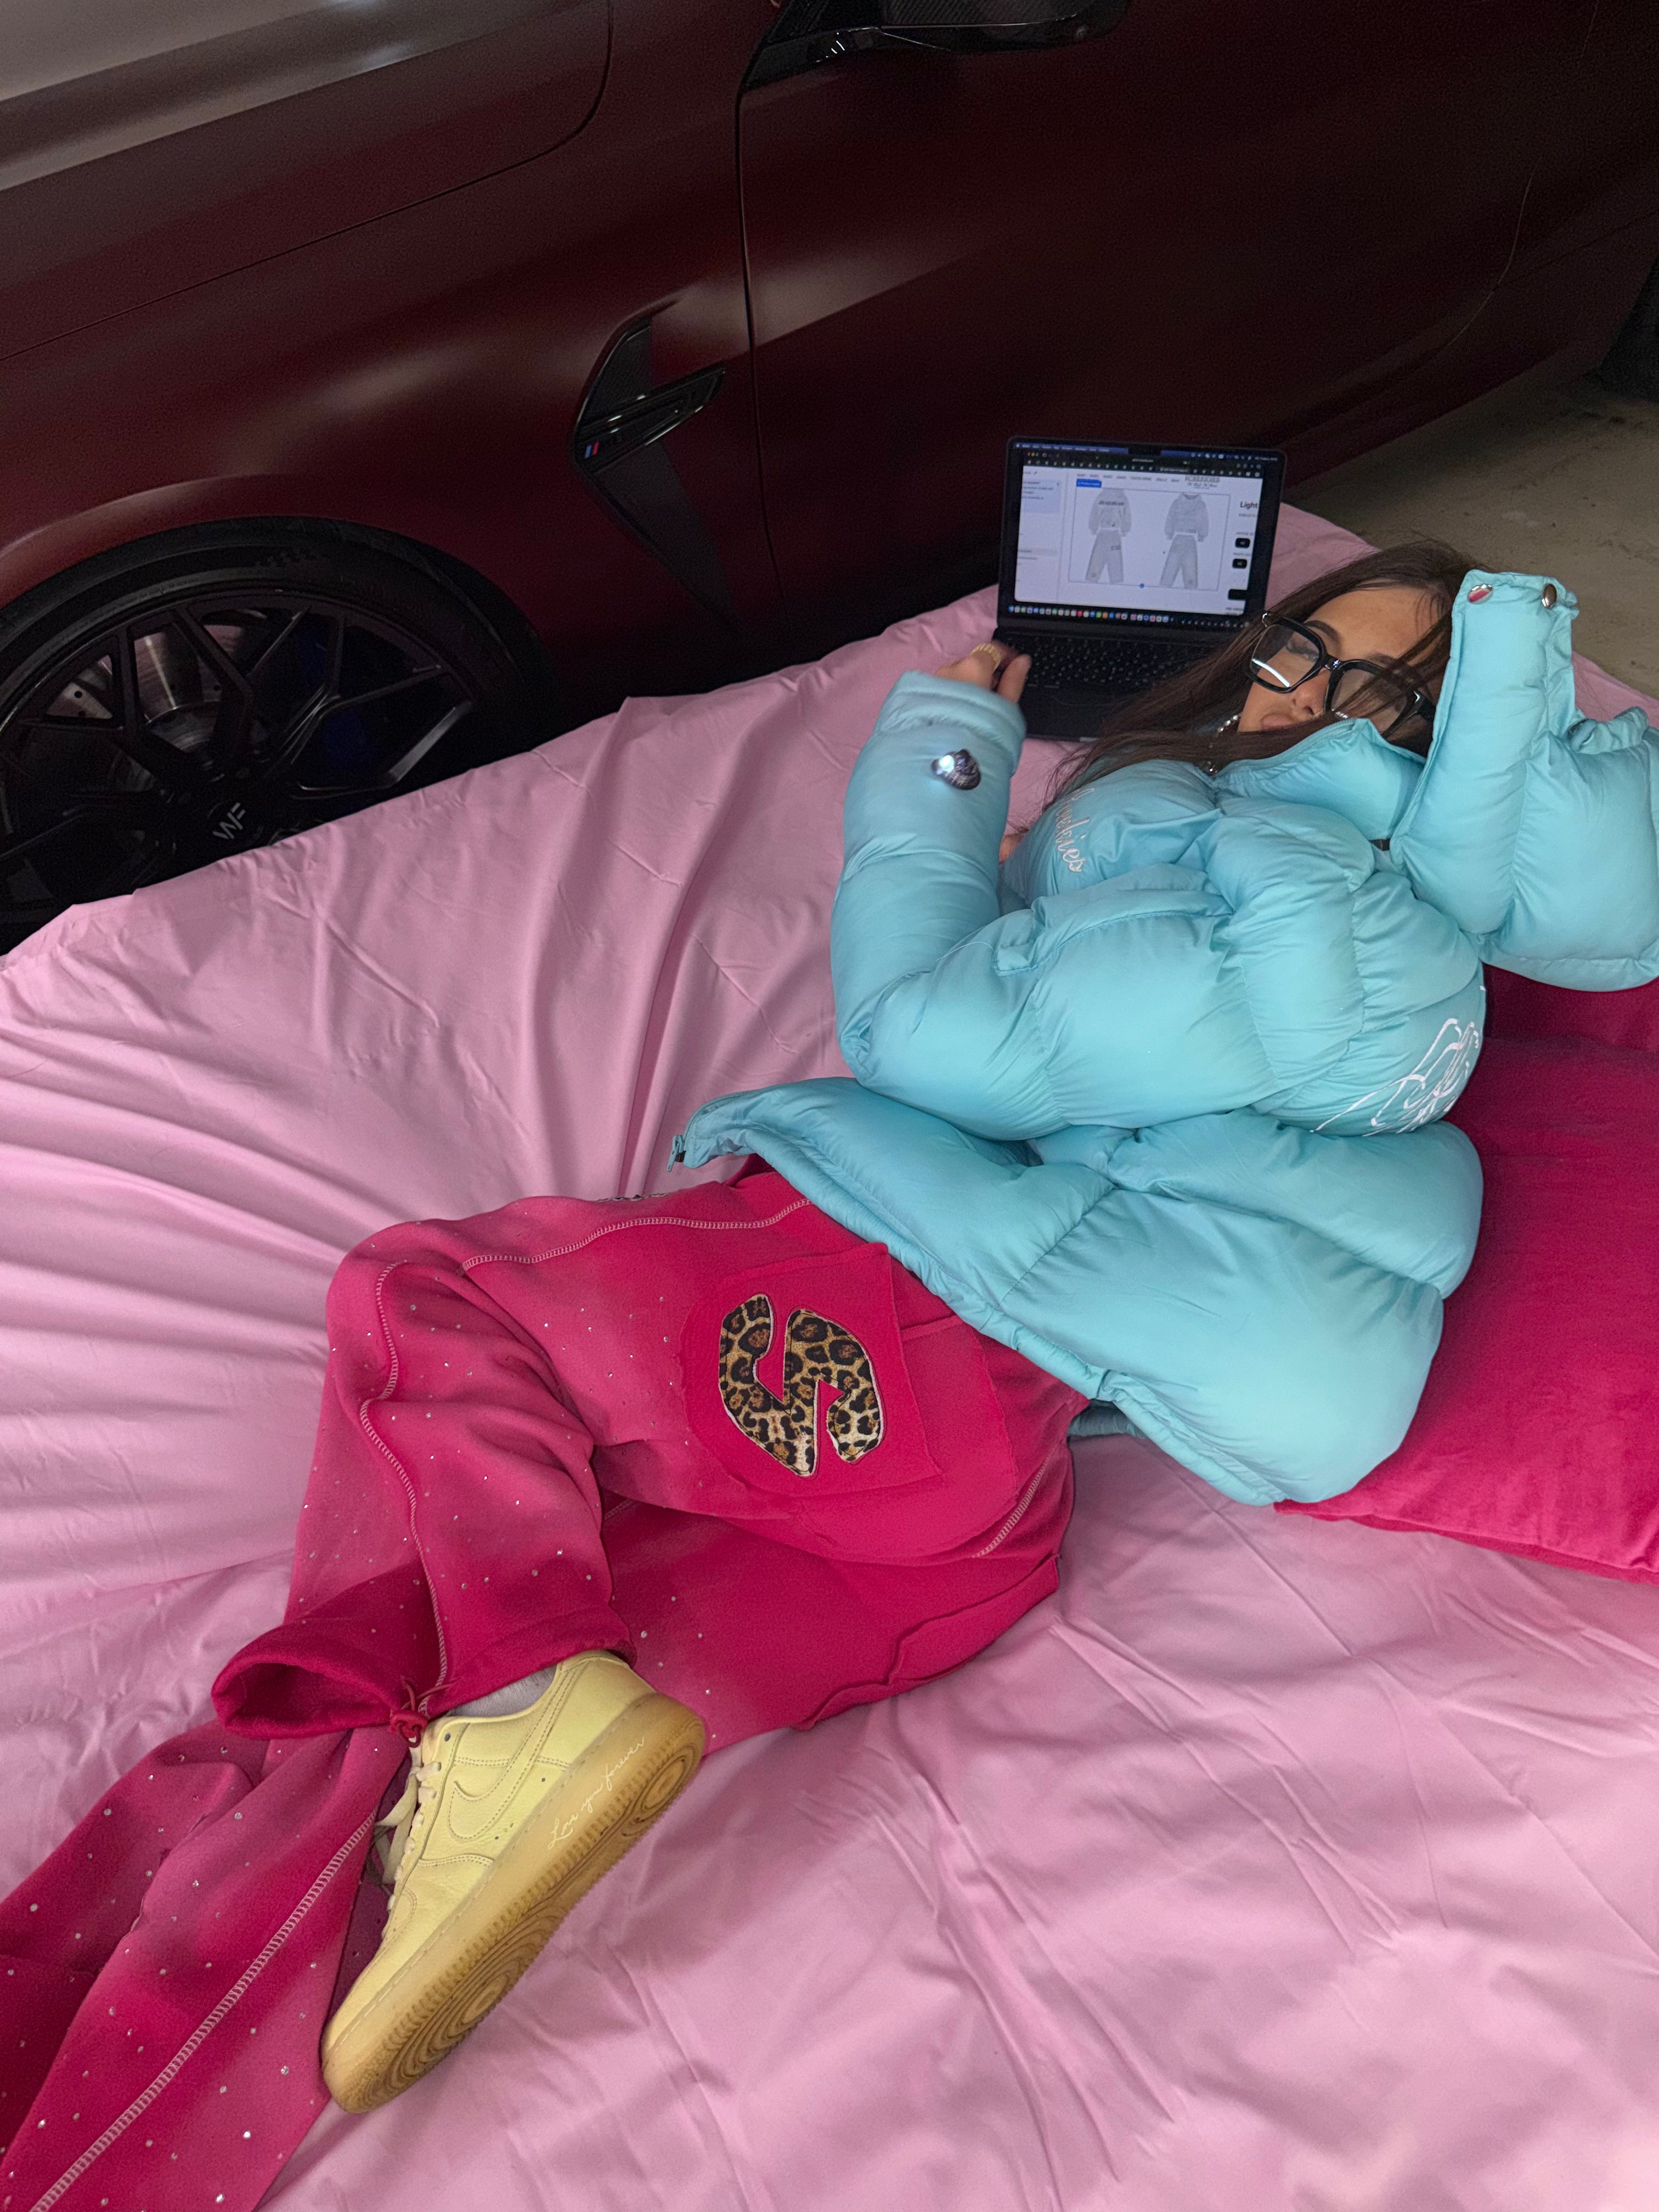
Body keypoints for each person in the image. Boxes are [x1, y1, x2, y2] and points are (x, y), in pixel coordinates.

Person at [5, 550, 1658, 2211]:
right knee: (380, 1692)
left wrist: (939, 765)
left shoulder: (1308, 885)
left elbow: (919, 1031)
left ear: (1462, 757)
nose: (1301, 697)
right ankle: (165, 2092)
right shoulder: (1292, 895)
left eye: (1383, 696)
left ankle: (518, 1710)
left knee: (431, 1305)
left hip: (893, 1328)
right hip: (947, 1534)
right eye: (1302, 645)